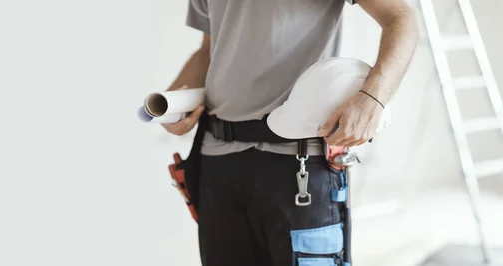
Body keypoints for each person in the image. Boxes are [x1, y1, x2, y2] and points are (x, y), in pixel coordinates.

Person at [161, 1, 418, 266]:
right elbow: (209, 49)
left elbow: (400, 18)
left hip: (299, 163)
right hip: (218, 161)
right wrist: (171, 103)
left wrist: (372, 98)